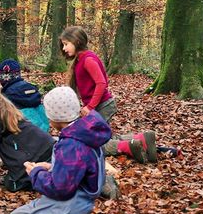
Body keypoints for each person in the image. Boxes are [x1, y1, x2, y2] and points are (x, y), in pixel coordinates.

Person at [7, 86, 114, 214]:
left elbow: (61, 189)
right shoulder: (81, 132)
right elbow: (78, 169)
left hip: (69, 202)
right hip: (70, 195)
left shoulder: (72, 144)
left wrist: (35, 174)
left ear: (56, 117)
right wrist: (51, 168)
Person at [60, 26, 158, 164]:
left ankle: (128, 146)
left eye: (66, 44)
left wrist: (90, 107)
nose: (64, 48)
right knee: (102, 137)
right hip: (98, 106)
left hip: (103, 105)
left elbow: (101, 83)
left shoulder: (88, 59)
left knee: (93, 143)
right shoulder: (81, 60)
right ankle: (141, 139)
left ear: (76, 41)